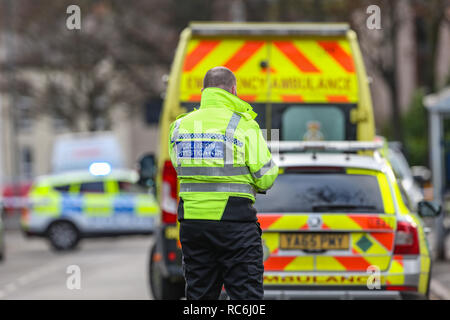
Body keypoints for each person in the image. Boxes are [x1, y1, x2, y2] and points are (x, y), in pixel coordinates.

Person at [168, 66, 278, 300]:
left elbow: (180, 166)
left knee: (200, 295)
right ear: (233, 90)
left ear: (203, 91)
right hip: (234, 223)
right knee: (245, 295)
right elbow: (266, 176)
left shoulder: (180, 126)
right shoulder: (244, 125)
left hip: (193, 224)